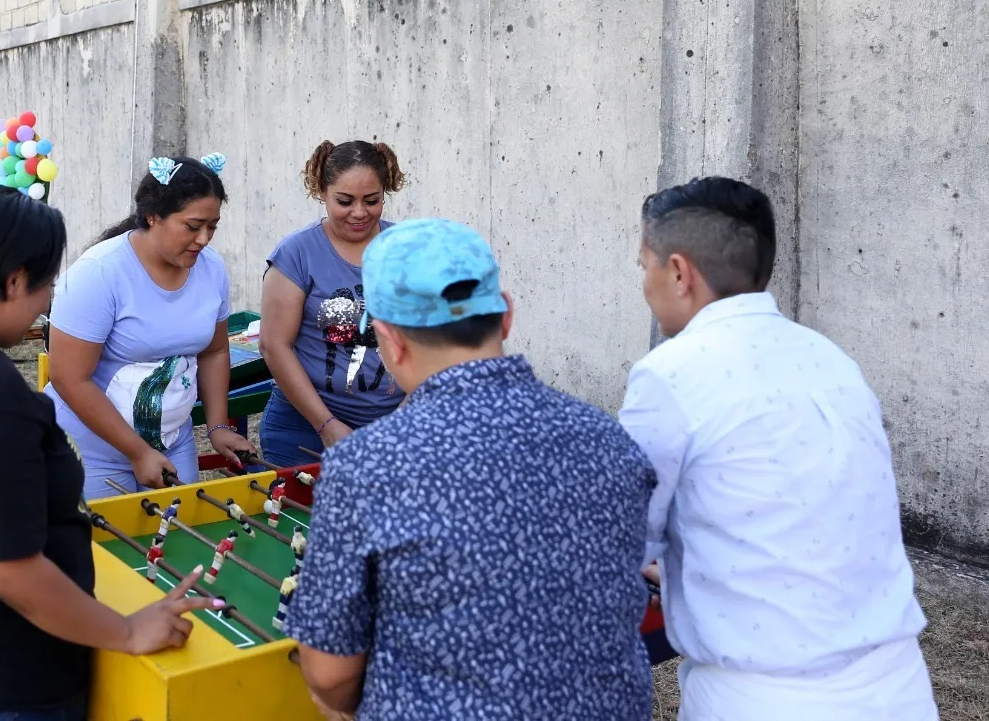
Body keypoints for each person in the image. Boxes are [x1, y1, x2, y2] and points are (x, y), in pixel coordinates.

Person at [0, 186, 224, 720]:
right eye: (48, 284)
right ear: (14, 280)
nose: (50, 302)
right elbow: (6, 572)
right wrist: (125, 630)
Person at [287, 219, 654, 721]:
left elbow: (329, 674)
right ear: (504, 315)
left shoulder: (366, 466)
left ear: (390, 342)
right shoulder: (610, 439)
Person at [619, 177, 938, 720]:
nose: (644, 285)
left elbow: (622, 533)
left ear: (678, 273)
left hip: (759, 694)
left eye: (644, 266)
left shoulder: (670, 377)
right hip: (897, 684)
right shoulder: (831, 359)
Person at [45, 154, 257, 499]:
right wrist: (137, 452)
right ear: (153, 216)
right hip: (89, 450)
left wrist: (218, 426)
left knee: (178, 546)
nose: (204, 239)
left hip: (172, 442)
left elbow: (215, 351)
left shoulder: (212, 269)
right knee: (101, 550)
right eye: (192, 226)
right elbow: (69, 378)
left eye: (212, 226)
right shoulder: (99, 272)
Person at [259, 139, 407, 466]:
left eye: (372, 200)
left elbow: (433, 341)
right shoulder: (297, 253)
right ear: (322, 192)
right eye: (345, 201)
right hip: (305, 429)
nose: (359, 212)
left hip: (392, 426)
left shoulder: (407, 249)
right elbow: (273, 345)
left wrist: (406, 416)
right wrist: (326, 425)